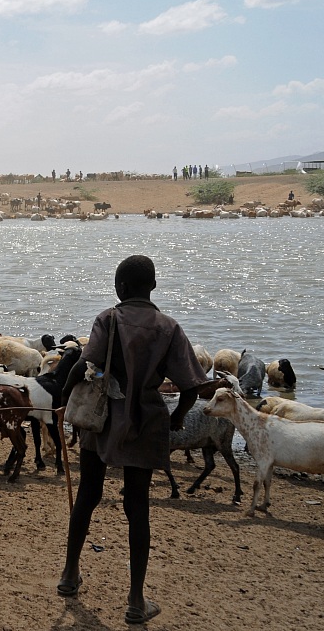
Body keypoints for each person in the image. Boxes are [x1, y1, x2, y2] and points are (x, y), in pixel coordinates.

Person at [57, 255, 205, 625]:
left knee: (89, 492)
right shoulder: (169, 328)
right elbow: (191, 386)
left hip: (103, 417)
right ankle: (136, 600)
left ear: (120, 287)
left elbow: (85, 365)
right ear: (152, 286)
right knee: (137, 506)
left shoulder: (108, 319)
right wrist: (178, 417)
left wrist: (63, 400)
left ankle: (69, 575)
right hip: (145, 421)